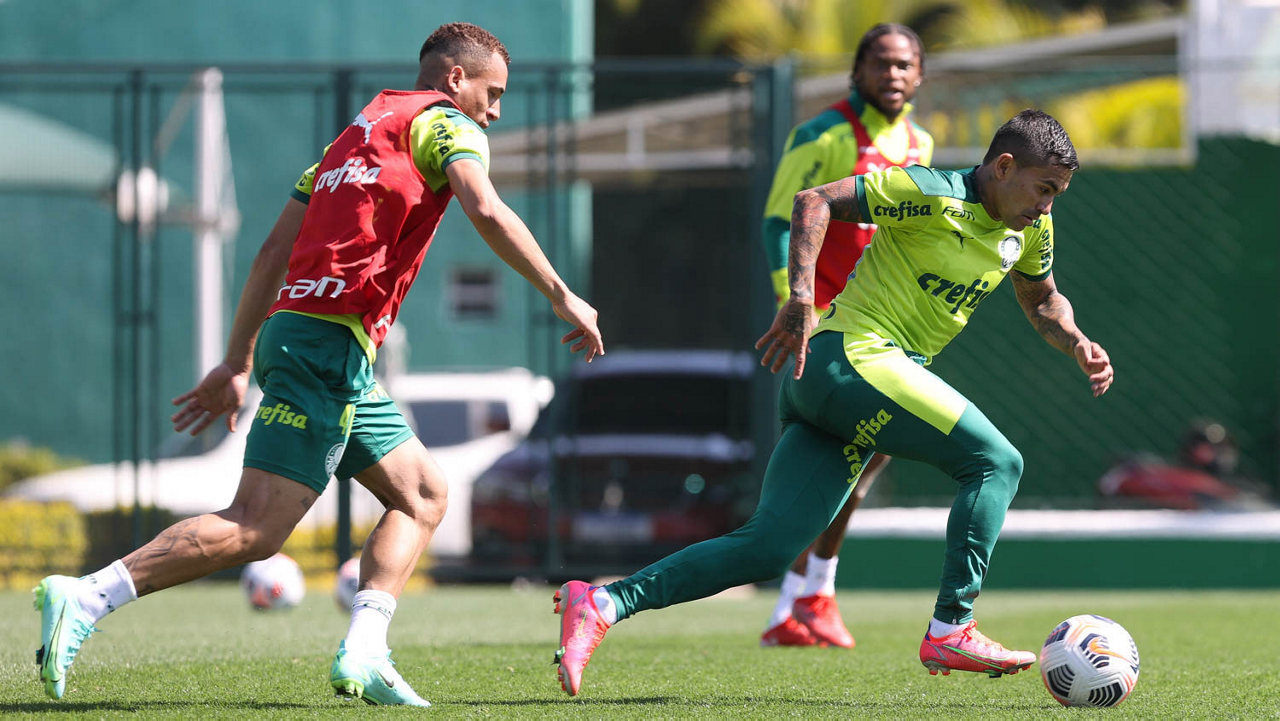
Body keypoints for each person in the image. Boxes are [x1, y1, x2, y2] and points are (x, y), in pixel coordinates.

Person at [33, 22, 604, 706]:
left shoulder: (350, 140)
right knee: (256, 525)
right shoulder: (447, 124)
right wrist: (563, 295)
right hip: (327, 345)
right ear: (457, 79)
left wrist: (238, 358)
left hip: (303, 336)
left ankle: (365, 649)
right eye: (494, 92)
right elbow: (484, 208)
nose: (497, 110)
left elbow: (271, 254)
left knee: (421, 494)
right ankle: (88, 595)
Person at [552, 109, 1113, 696]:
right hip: (853, 359)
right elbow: (813, 200)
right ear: (1003, 167)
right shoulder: (929, 191)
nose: (1047, 205)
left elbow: (1042, 299)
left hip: (840, 384)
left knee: (767, 550)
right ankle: (953, 625)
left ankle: (604, 602)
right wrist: (800, 296)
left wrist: (1076, 341)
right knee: (997, 463)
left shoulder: (1031, 229)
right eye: (1043, 189)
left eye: (1057, 194)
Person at [758, 22, 935, 649]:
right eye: (880, 63)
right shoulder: (824, 134)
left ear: (920, 75)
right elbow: (779, 220)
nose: (893, 74)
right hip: (828, 320)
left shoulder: (920, 143)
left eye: (904, 64)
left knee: (858, 457)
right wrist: (793, 300)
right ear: (857, 71)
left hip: (885, 321)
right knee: (858, 452)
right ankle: (811, 593)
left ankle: (797, 602)